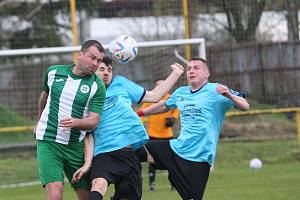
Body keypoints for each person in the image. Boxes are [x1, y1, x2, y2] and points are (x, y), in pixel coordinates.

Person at [135, 57, 250, 200]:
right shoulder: (181, 92)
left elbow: (245, 105)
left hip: (199, 158)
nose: (191, 71)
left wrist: (229, 95)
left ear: (206, 73)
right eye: (189, 68)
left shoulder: (216, 90)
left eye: (196, 68)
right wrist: (139, 113)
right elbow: (163, 105)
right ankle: (125, 191)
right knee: (133, 150)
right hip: (176, 149)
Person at [72, 56, 184, 200]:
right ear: (93, 71)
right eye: (101, 69)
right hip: (104, 153)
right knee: (98, 184)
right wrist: (87, 164)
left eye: (109, 70)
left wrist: (175, 73)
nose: (106, 73)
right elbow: (87, 133)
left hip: (129, 152)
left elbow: (154, 96)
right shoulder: (87, 94)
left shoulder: (120, 84)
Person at [33, 40, 106, 200]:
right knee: (55, 193)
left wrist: (76, 122)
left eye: (99, 60)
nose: (95, 64)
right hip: (49, 141)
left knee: (87, 196)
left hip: (75, 146)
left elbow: (94, 121)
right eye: (92, 58)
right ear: (80, 55)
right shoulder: (53, 72)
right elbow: (44, 96)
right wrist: (39, 120)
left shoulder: (97, 87)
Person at [139, 79, 179, 192]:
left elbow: (176, 110)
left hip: (167, 135)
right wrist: (139, 126)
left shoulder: (170, 98)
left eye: (162, 85)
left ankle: (174, 184)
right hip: (153, 134)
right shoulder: (151, 98)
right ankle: (151, 184)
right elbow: (141, 113)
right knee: (152, 160)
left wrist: (173, 118)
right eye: (158, 85)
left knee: (172, 160)